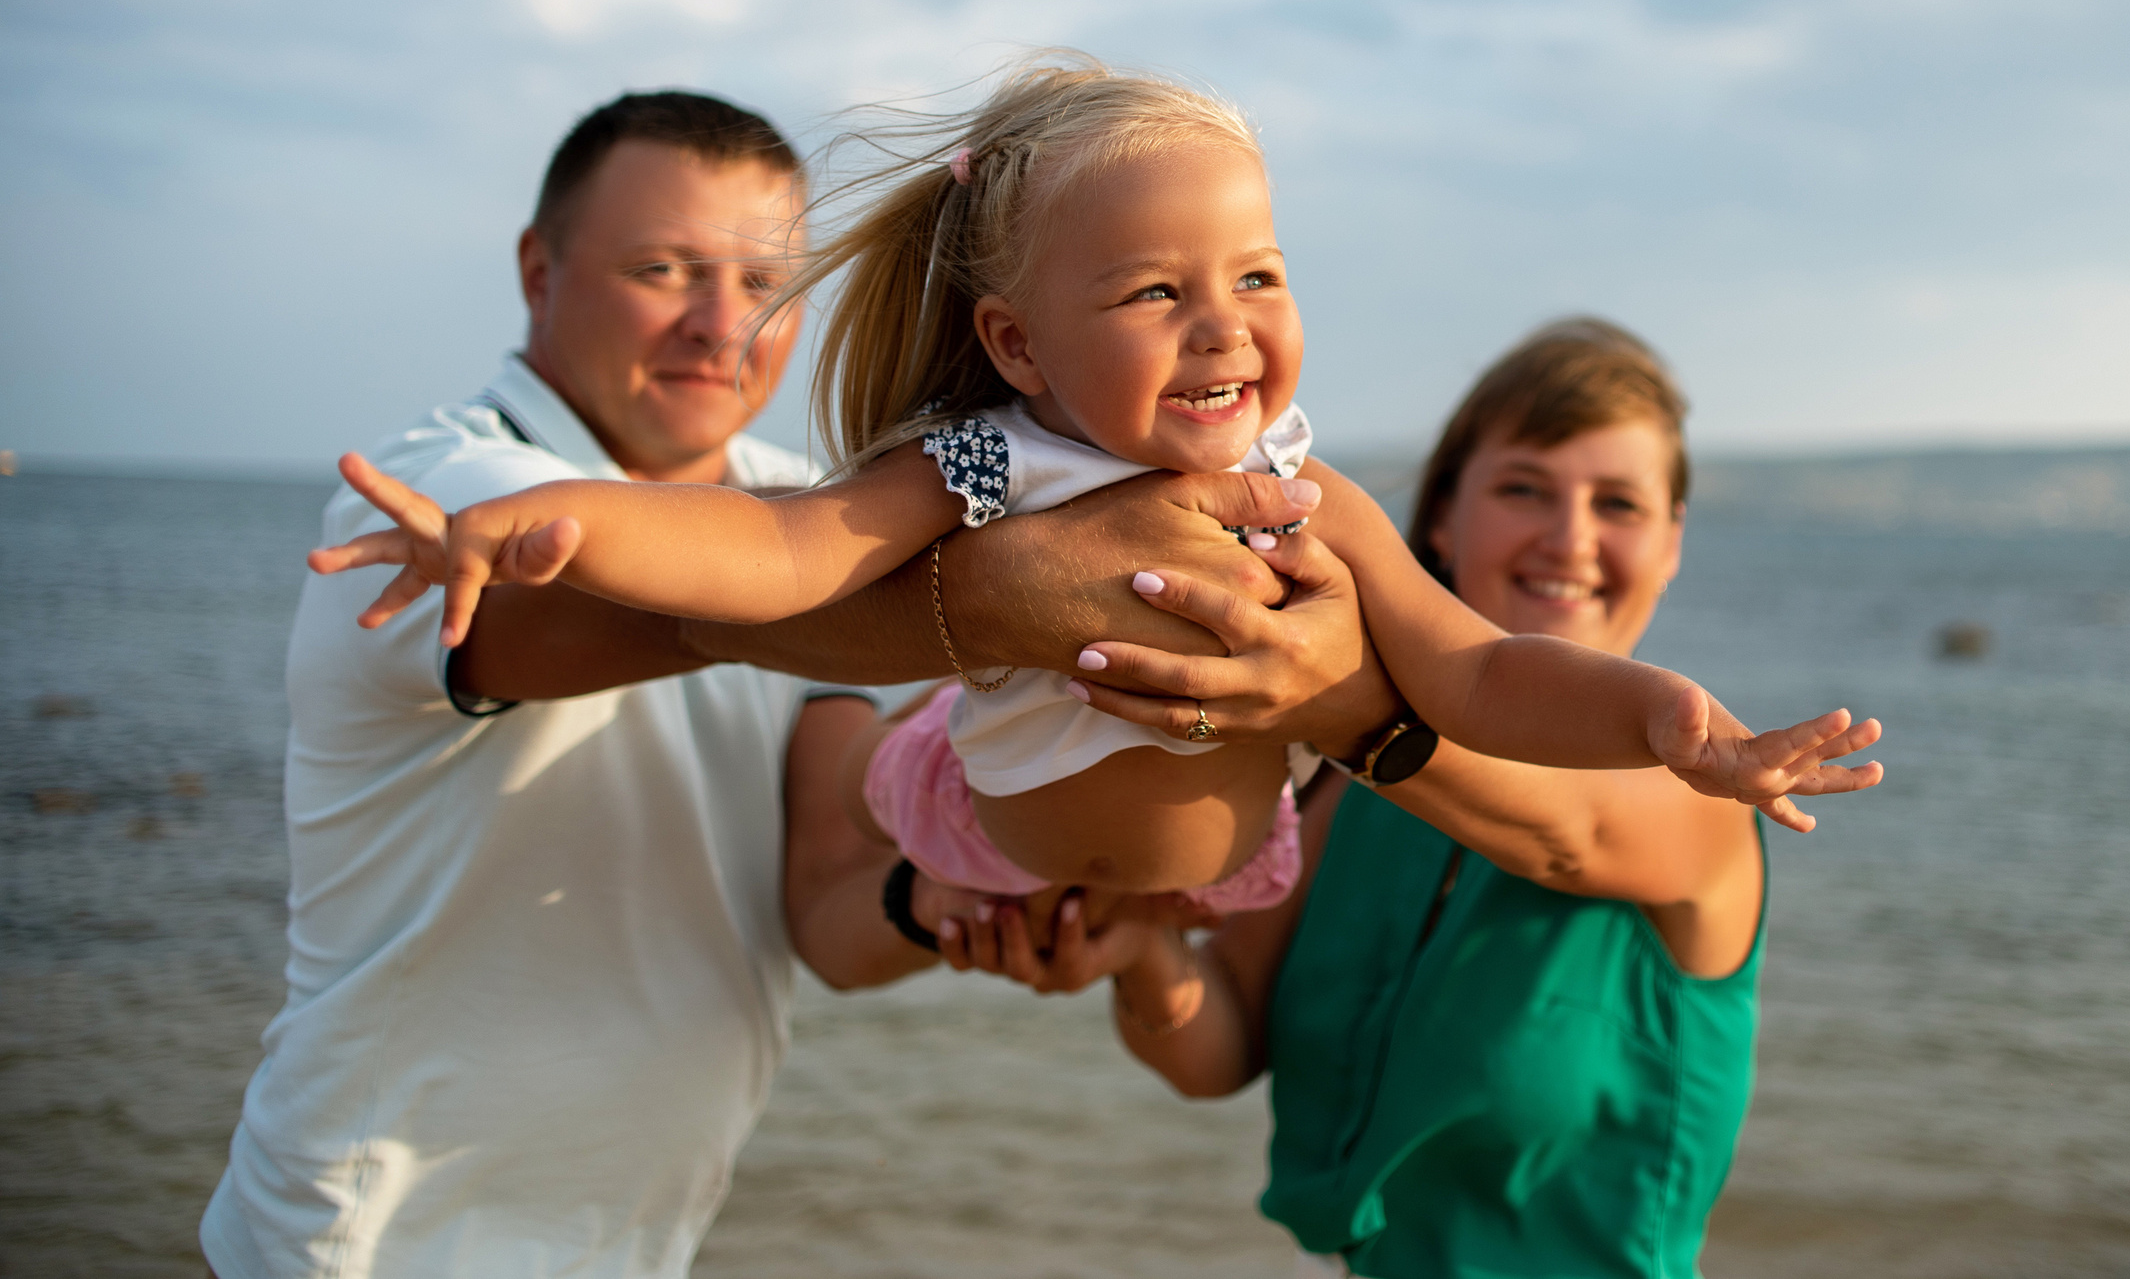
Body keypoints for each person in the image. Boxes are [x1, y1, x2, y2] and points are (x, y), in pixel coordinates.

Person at [321, 58, 1879, 961]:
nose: (1224, 326)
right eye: (1153, 292)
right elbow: (781, 551)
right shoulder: (997, 466)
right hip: (985, 829)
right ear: (1017, 342)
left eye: (1257, 277)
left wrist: (1674, 721)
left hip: (1206, 869)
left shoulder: (1300, 491)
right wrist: (558, 523)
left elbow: (1474, 673)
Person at [199, 89, 1347, 1279]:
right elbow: (680, 608)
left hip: (633, 1240)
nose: (719, 324)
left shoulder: (807, 497)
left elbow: (833, 910)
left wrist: (983, 891)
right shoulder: (446, 500)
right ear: (539, 268)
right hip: (372, 1235)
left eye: (762, 283)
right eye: (664, 268)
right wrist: (998, 585)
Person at [953, 319, 1833, 1277]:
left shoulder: (1691, 781)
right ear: (1446, 517)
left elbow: (1562, 832)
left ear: (1670, 546)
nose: (1570, 537)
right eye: (1524, 487)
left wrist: (1339, 702)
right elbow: (1224, 1042)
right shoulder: (1348, 780)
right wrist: (1142, 953)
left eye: (1618, 503)